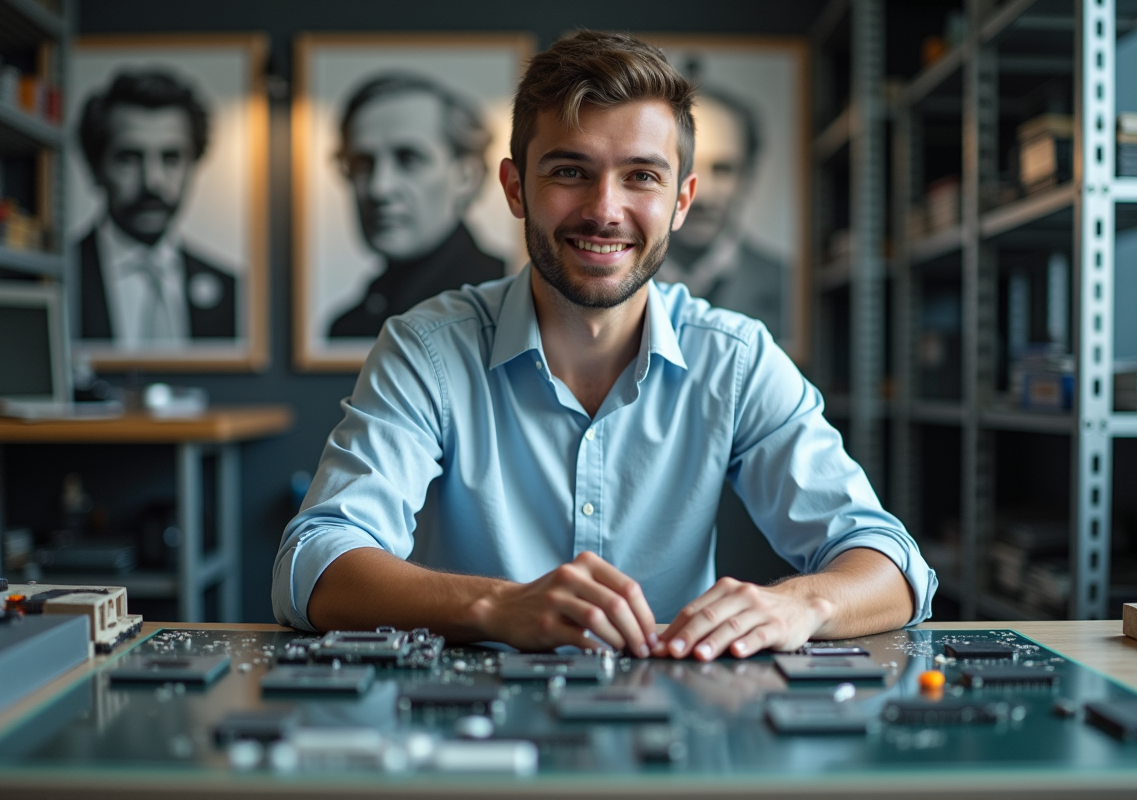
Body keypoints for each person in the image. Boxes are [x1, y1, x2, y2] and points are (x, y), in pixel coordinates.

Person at [273, 31, 935, 661]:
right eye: (570, 171)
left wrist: (800, 605)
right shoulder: (426, 350)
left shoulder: (736, 359)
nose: (604, 210)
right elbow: (312, 564)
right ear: (515, 188)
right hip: (472, 724)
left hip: (675, 719)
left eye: (641, 176)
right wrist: (496, 606)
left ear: (681, 201)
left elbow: (893, 566)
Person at [327, 72, 506, 338]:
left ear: (467, 176)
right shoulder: (349, 327)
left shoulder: (509, 303)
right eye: (362, 164)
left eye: (409, 159)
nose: (379, 188)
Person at [75, 69, 238, 346]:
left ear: (193, 166)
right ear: (96, 168)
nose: (152, 182)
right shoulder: (59, 278)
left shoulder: (233, 291)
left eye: (171, 158)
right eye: (129, 158)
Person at [658, 85, 787, 337]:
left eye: (723, 169)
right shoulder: (606, 282)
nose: (701, 195)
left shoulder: (789, 286)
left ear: (747, 177)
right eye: (684, 168)